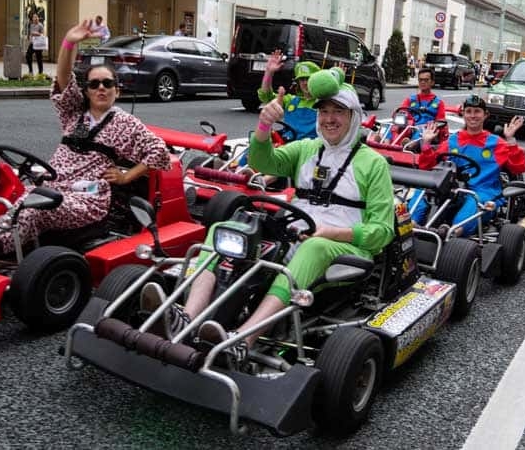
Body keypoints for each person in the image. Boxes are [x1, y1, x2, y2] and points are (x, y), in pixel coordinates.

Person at [140, 70, 395, 363]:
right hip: (297, 234)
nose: (329, 119)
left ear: (354, 116)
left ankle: (243, 340)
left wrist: (331, 232)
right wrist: (264, 125)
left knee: (313, 247)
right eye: (324, 111)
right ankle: (187, 315)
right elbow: (263, 161)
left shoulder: (373, 164)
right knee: (228, 226)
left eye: (338, 111)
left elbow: (382, 231)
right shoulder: (307, 149)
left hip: (345, 247)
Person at [0, 19, 171, 274]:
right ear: (86, 91)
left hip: (88, 199)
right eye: (94, 84)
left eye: (107, 83)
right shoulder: (74, 114)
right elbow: (64, 77)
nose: (101, 88)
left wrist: (126, 176)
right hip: (52, 184)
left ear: (117, 90)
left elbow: (159, 152)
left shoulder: (126, 124)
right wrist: (69, 42)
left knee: (32, 208)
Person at [409, 95, 525, 237]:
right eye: (469, 111)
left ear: (485, 115)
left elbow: (518, 168)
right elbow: (426, 167)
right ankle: (411, 225)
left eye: (477, 111)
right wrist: (426, 144)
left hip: (482, 191)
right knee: (422, 190)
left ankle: (452, 233)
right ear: (463, 114)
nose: (473, 116)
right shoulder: (452, 141)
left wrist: (510, 139)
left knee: (470, 208)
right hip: (452, 188)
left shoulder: (496, 143)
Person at [369, 67, 446, 144]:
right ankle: (385, 142)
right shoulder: (411, 99)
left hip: (425, 129)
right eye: (420, 80)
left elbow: (441, 122)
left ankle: (410, 145)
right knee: (392, 127)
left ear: (432, 82)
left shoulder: (438, 102)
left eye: (426, 80)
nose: (423, 82)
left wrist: (432, 125)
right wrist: (398, 113)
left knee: (421, 132)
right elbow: (401, 112)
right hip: (409, 126)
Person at [257, 49, 321, 141]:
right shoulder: (291, 100)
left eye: (308, 79)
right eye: (302, 80)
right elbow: (265, 96)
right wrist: (269, 72)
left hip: (309, 150)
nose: (305, 83)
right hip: (287, 145)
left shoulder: (323, 103)